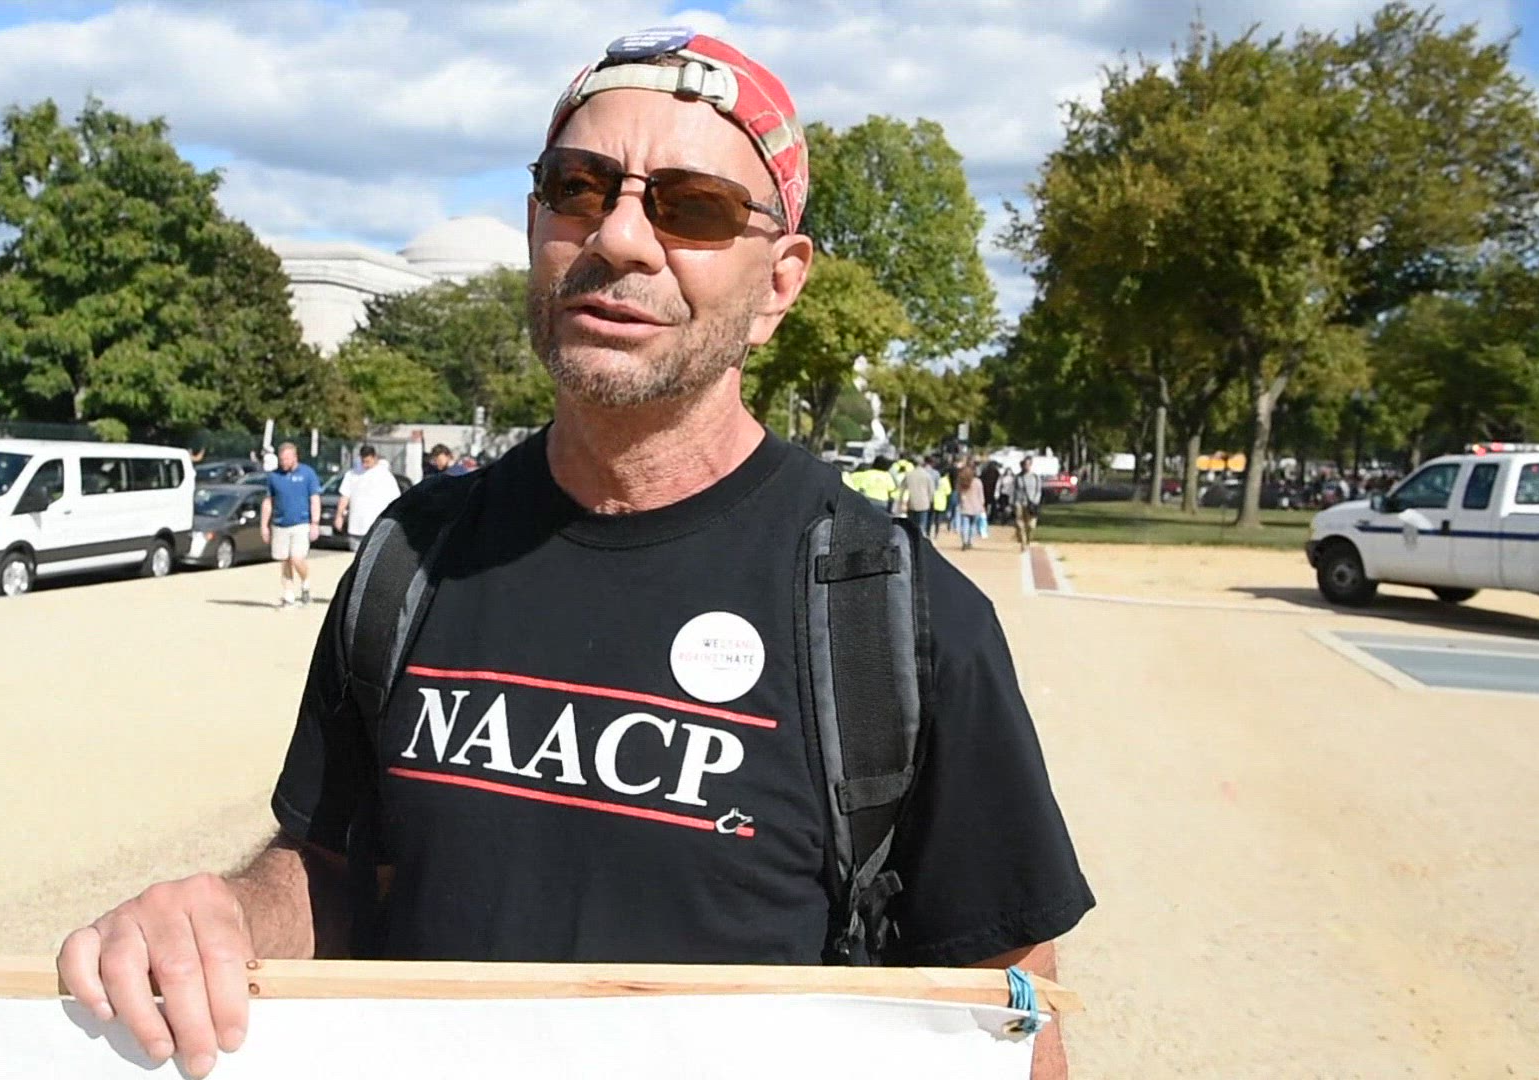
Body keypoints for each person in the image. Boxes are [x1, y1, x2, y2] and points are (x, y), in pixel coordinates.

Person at [58, 29, 1091, 1080]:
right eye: (579, 188)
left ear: (780, 283)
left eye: (693, 208)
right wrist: (226, 920)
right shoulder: (413, 554)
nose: (620, 237)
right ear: (534, 223)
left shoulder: (892, 616)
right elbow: (333, 871)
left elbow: (1007, 1012)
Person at [259, 442, 320, 609]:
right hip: (280, 524)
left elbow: (314, 499)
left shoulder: (307, 474)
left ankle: (305, 582)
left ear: (295, 457)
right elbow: (268, 502)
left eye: (287, 459)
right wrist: (264, 525)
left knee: (297, 558)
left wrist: (315, 522)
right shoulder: (274, 477)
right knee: (284, 560)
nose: (283, 462)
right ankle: (288, 595)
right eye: (281, 459)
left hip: (301, 523)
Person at [333, 445, 401, 551]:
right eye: (363, 461)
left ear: (374, 458)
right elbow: (344, 497)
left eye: (367, 461)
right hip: (356, 527)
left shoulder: (385, 476)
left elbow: (395, 501)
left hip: (375, 528)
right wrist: (339, 516)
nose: (365, 464)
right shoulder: (352, 474)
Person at [1011, 457, 1044, 551]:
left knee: (1031, 525)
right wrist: (1013, 502)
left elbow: (1038, 491)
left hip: (1031, 503)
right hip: (1019, 502)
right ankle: (1023, 542)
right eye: (1024, 464)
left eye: (1028, 464)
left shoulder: (1035, 477)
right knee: (1019, 523)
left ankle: (1028, 539)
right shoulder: (1018, 477)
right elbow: (1014, 490)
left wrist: (1035, 501)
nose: (1026, 466)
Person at [900, 454, 935, 534]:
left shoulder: (909, 475)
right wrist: (930, 501)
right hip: (924, 503)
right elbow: (931, 491)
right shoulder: (927, 475)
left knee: (911, 526)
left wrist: (902, 502)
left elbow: (902, 488)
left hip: (912, 503)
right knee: (921, 526)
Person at [956, 461, 987, 551]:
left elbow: (959, 495)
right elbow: (981, 496)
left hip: (965, 507)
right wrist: (982, 505)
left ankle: (964, 542)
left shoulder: (961, 483)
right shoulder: (978, 482)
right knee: (973, 526)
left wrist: (960, 503)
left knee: (965, 525)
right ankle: (970, 542)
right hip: (976, 507)